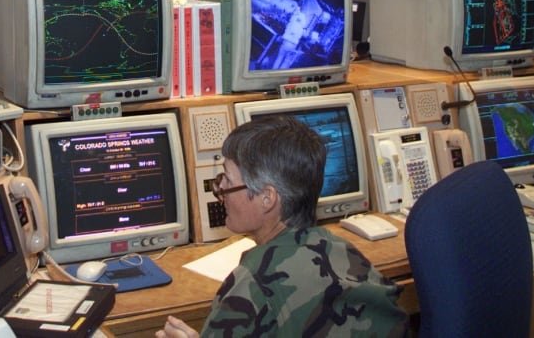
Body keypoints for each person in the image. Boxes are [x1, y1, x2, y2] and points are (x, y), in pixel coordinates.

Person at [157, 115, 407, 338]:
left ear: (267, 198)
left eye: (227, 179)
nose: (219, 188)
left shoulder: (250, 285)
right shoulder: (349, 254)